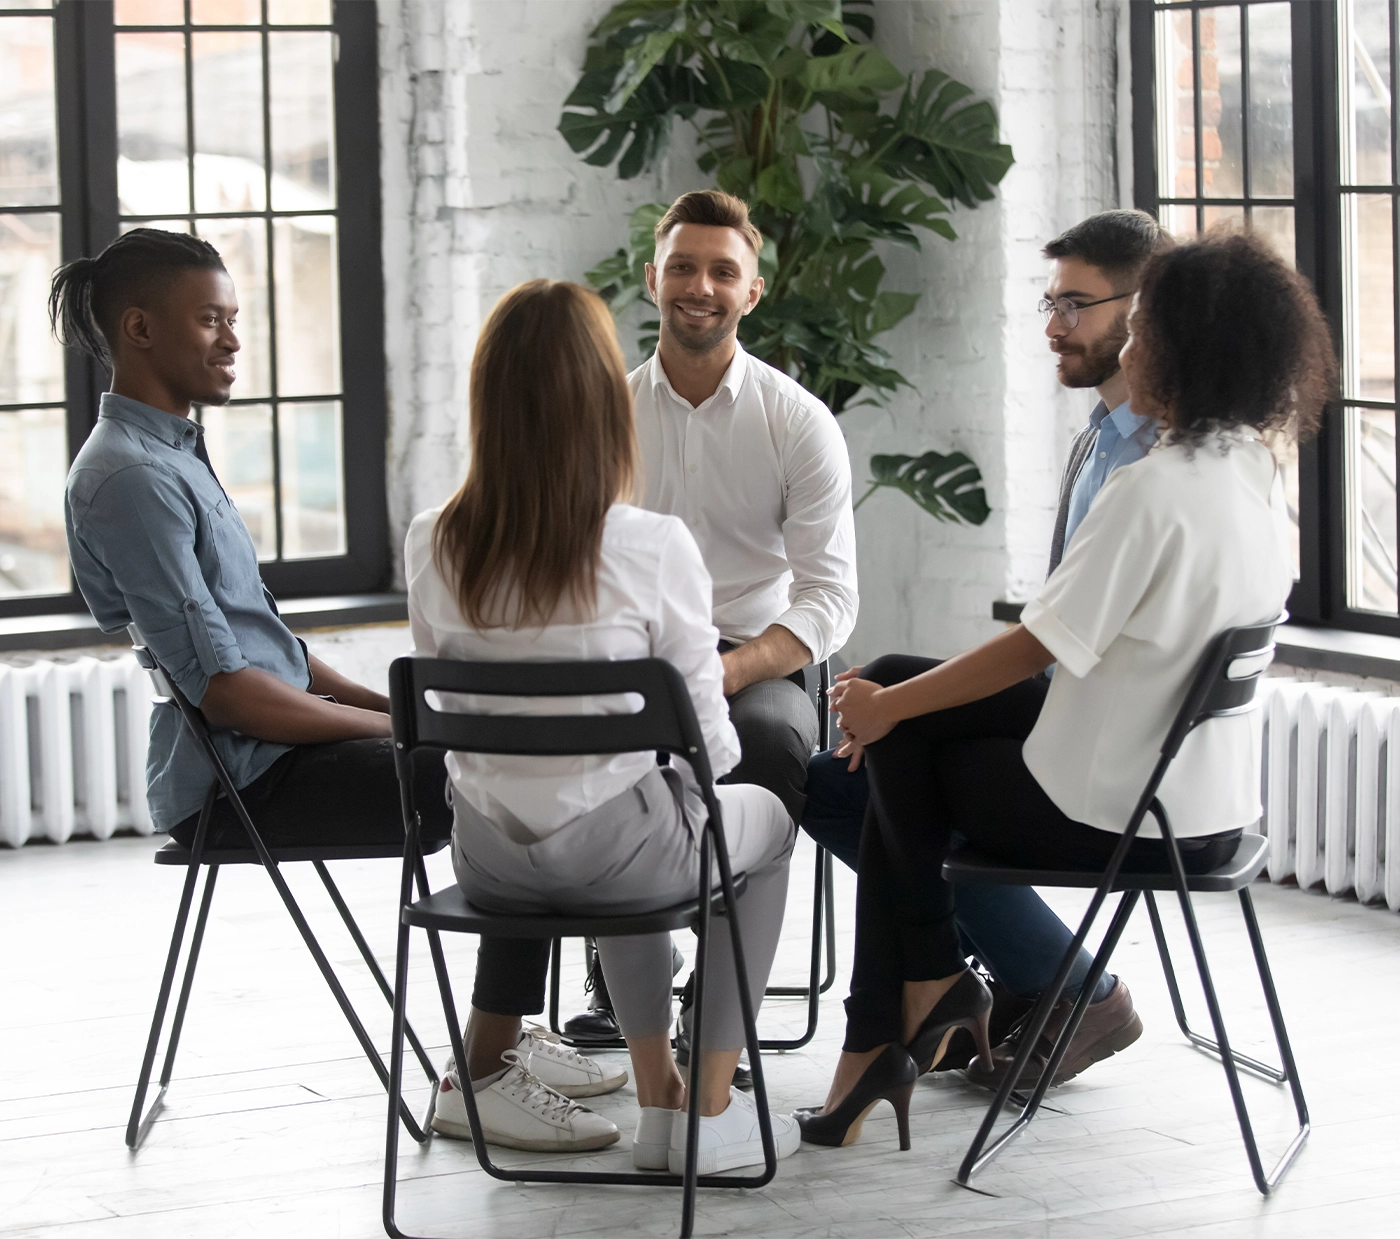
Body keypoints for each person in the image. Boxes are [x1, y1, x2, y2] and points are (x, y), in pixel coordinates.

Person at [54, 228, 625, 1139]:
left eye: (234, 318)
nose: (234, 340)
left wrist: (404, 706)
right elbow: (230, 694)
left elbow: (267, 644)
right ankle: (484, 1065)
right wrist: (404, 736)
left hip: (270, 748)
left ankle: (502, 1036)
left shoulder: (172, 455)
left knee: (506, 762)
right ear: (139, 329)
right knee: (517, 782)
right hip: (244, 780)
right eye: (211, 320)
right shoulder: (129, 478)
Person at [796, 230, 1334, 1151]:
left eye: (1143, 331)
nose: (1130, 350)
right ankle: (914, 998)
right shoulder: (1255, 471)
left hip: (1114, 805)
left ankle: (912, 998)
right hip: (1202, 799)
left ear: (1183, 348)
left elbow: (1036, 646)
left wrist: (889, 713)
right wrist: (893, 701)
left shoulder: (1154, 491)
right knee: (895, 705)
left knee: (896, 746)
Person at [405, 278, 801, 1173]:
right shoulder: (653, 545)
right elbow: (718, 747)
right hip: (620, 856)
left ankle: (656, 1079)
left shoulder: (431, 539)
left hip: (487, 861)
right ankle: (700, 1106)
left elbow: (455, 706)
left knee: (641, 801)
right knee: (744, 822)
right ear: (602, 407)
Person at [801, 209, 1174, 1085]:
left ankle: (1024, 987)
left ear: (1145, 309)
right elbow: (1053, 640)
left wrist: (902, 709)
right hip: (1061, 712)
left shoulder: (1159, 467)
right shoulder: (1100, 442)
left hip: (1105, 751)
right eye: (1050, 302)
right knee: (842, 769)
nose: (1053, 326)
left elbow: (1057, 643)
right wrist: (908, 705)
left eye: (1075, 305)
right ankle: (1026, 982)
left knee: (871, 762)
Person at [565, 189, 858, 1055]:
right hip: (630, 659)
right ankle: (627, 978)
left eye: (722, 270)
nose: (701, 285)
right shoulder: (605, 414)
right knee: (586, 754)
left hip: (754, 662)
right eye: (684, 267)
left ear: (752, 291)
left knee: (767, 756)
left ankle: (715, 1011)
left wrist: (727, 672)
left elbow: (830, 596)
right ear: (652, 279)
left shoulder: (798, 421)